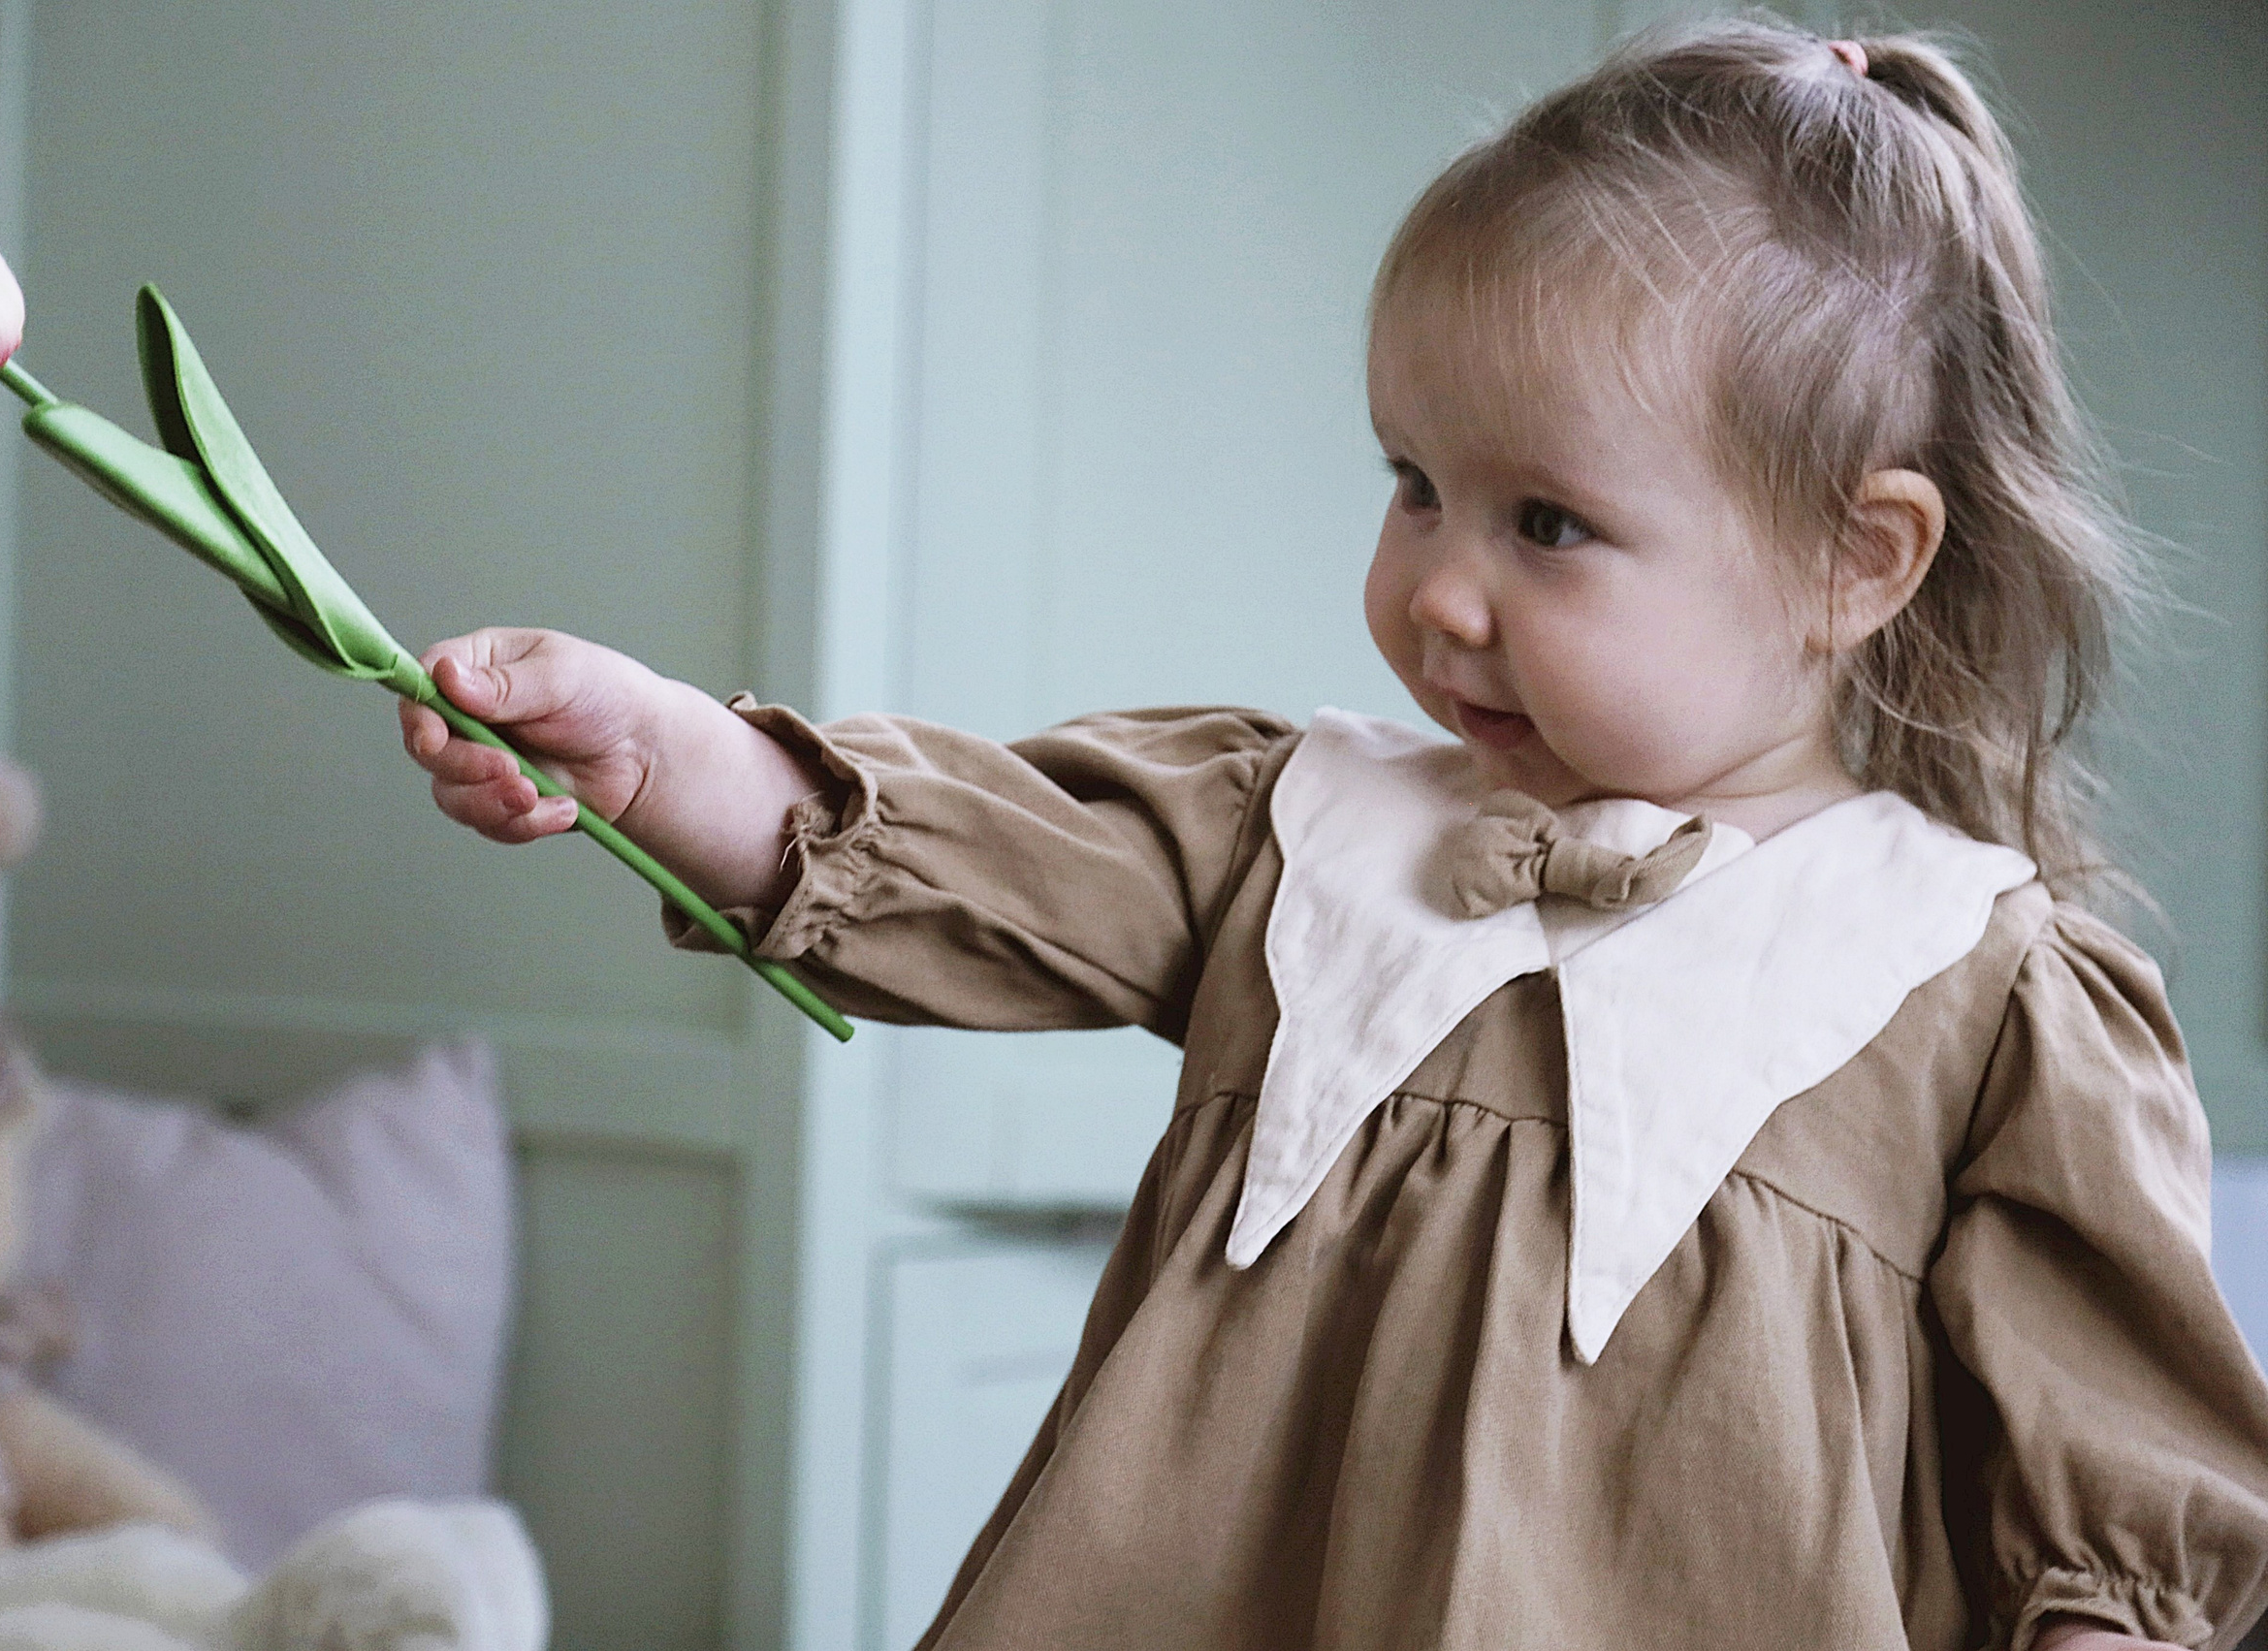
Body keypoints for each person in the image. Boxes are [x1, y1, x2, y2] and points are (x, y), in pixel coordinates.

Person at [399, 18, 2268, 1649]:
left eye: (1545, 524)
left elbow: (2120, 1495)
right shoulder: (1300, 829)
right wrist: (650, 750)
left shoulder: (1983, 988)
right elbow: (964, 854)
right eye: (1413, 488)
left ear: (1856, 561)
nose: (1439, 592)